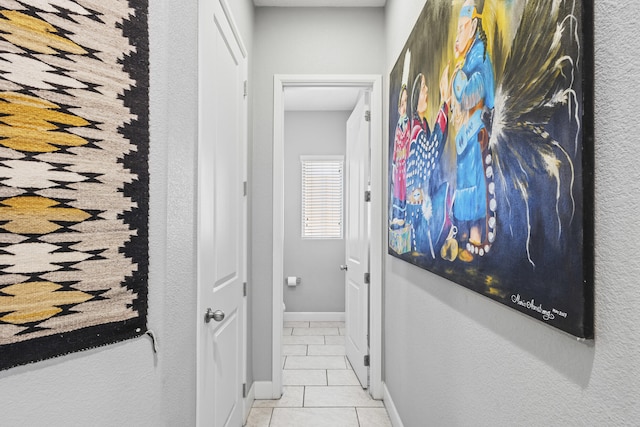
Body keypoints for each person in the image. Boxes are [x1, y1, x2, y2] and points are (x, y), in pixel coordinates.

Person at [447, 0, 496, 261]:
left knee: (476, 187)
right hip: (468, 136)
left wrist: (456, 78)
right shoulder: (469, 58)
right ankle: (467, 238)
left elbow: (469, 96)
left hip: (477, 134)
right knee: (467, 184)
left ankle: (475, 238)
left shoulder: (479, 57)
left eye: (461, 30)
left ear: (474, 26)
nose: (457, 37)